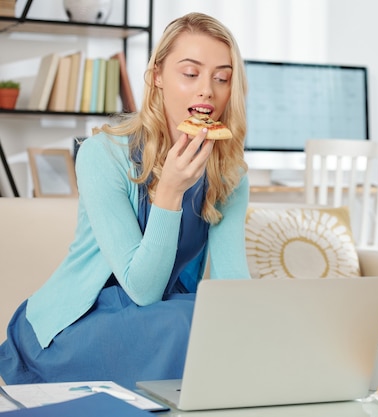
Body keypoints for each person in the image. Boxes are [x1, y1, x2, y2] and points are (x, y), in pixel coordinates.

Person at [0, 12, 250, 388]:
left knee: (218, 321)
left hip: (161, 314)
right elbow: (143, 289)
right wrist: (170, 191)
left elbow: (234, 284)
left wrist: (264, 322)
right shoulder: (102, 154)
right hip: (81, 319)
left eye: (222, 78)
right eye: (190, 73)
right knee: (186, 326)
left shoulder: (230, 171)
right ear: (157, 77)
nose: (207, 91)